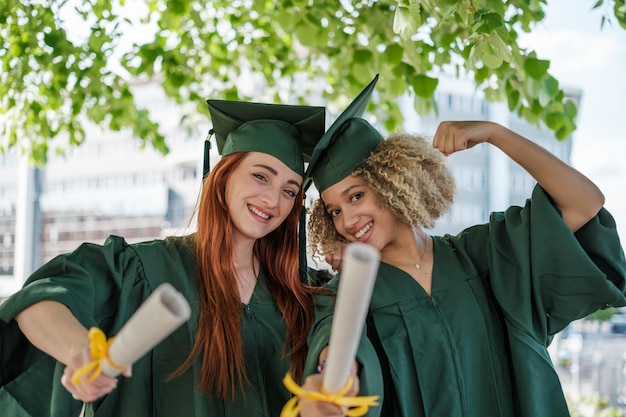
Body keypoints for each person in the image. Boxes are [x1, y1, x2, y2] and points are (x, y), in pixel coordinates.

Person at [0, 99, 328, 416]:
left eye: (290, 190)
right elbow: (42, 299)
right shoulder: (144, 269)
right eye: (261, 175)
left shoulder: (305, 291)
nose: (273, 199)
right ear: (224, 176)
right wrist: (80, 353)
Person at [299, 115, 626, 417]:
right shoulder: (348, 292)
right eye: (334, 212)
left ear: (392, 181)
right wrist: (329, 381)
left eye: (356, 196)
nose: (348, 220)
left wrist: (496, 133)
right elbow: (334, 345)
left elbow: (584, 203)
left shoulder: (483, 254)